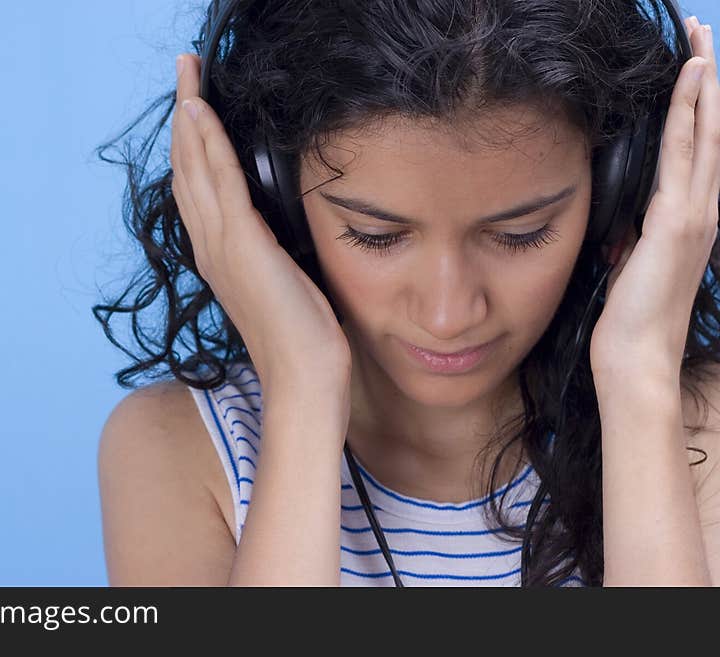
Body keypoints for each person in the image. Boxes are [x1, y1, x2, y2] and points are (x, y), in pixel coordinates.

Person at [93, 0, 720, 586]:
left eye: (521, 234)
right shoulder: (178, 451)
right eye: (374, 236)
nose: (449, 316)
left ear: (620, 192)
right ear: (274, 201)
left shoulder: (699, 430)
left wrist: (641, 377)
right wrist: (303, 389)